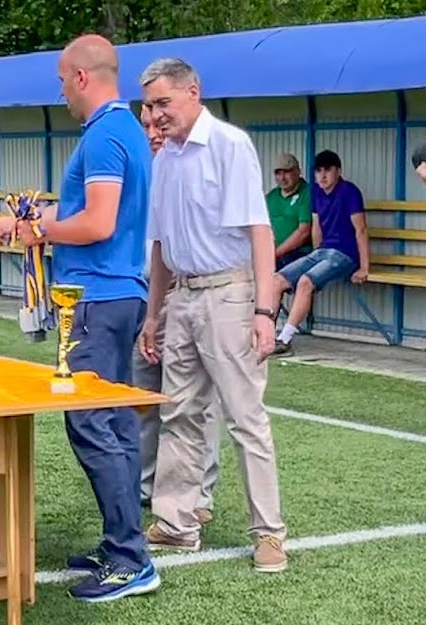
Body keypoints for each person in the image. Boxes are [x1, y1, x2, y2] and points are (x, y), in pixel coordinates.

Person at [11, 35, 160, 602]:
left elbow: (96, 223)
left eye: (60, 80)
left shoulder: (103, 135)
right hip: (116, 292)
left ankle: (129, 557)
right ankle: (121, 542)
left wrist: (40, 230)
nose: (60, 91)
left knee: (92, 423)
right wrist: (39, 218)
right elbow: (93, 215)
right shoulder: (124, 131)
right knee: (113, 423)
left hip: (97, 297)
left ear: (79, 77)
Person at [138, 57, 288, 573]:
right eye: (151, 105)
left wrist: (264, 311)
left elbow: (259, 233)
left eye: (163, 103)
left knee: (246, 418)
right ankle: (178, 523)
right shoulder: (164, 160)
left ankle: (269, 533)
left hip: (229, 293)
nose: (155, 115)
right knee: (178, 414)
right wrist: (154, 314)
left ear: (193, 92)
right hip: (181, 295)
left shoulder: (229, 145)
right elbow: (159, 245)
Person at [133, 106, 220, 525]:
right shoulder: (143, 174)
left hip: (189, 292)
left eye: (158, 124)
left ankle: (200, 494)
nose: (153, 133)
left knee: (196, 402)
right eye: (146, 126)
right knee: (146, 398)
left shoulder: (200, 167)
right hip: (146, 298)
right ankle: (148, 485)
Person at [270, 150, 369, 357]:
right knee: (277, 279)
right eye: (318, 171)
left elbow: (361, 230)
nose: (323, 176)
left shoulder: (349, 191)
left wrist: (364, 267)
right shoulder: (315, 192)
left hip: (345, 255)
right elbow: (316, 226)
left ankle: (284, 339)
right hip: (322, 252)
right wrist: (315, 254)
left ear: (338, 171)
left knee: (306, 282)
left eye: (328, 170)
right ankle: (266, 335)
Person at [268, 153, 313, 270]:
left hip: (300, 253)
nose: (282, 178)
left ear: (298, 171)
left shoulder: (308, 192)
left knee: (279, 269)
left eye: (287, 172)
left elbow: (304, 232)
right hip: (273, 254)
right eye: (278, 173)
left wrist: (275, 254)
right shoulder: (271, 197)